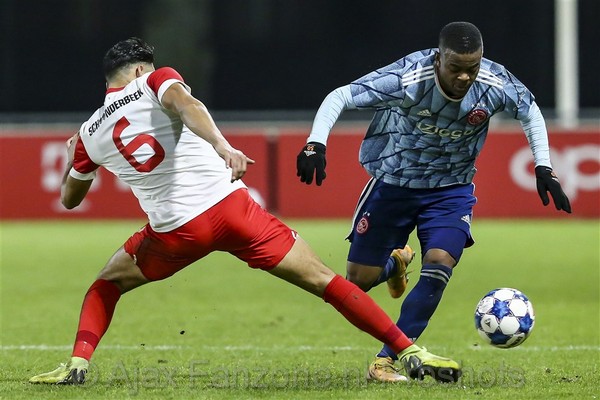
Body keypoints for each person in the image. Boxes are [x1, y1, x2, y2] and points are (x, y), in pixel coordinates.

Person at [29, 37, 462, 385]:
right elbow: (188, 106)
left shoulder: (88, 132)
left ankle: (77, 365)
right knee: (323, 280)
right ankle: (409, 349)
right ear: (140, 71)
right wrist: (223, 146)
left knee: (105, 284)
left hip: (176, 232)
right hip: (234, 210)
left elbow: (70, 199)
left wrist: (73, 158)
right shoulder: (156, 80)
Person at [296, 21, 571, 382]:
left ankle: (387, 360)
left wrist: (544, 166)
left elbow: (530, 110)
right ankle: (394, 267)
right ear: (439, 58)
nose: (464, 77)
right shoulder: (408, 78)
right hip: (394, 184)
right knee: (356, 282)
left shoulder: (494, 83)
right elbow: (341, 96)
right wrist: (316, 143)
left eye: (472, 68)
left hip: (450, 190)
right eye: (456, 68)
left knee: (440, 265)